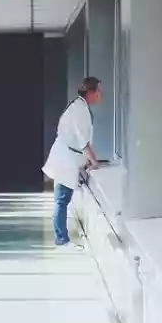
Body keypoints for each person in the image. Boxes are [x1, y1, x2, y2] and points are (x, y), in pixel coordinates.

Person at [43, 77, 102, 249]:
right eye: (98, 91)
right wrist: (94, 162)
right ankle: (61, 239)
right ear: (90, 92)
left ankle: (61, 236)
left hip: (66, 156)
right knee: (61, 200)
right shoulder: (79, 110)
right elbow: (83, 142)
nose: (100, 94)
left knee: (61, 199)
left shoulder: (79, 106)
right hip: (65, 159)